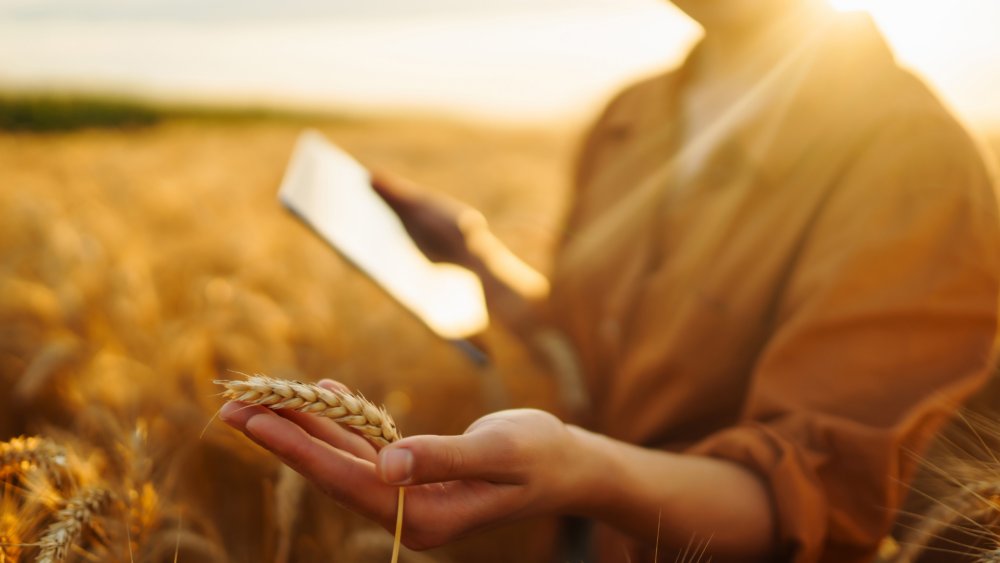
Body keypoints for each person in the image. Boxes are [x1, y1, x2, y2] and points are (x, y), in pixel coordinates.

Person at [220, 0, 1000, 561]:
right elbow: (591, 343)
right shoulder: (632, 115)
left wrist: (579, 470)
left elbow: (810, 507)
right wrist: (476, 258)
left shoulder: (912, 162)